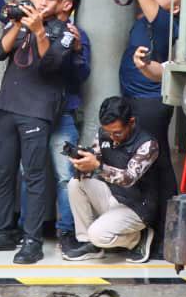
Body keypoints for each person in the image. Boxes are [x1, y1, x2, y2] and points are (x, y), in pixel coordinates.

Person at [0, 0, 72, 265]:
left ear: (59, 2)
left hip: (37, 111)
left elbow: (51, 65)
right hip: (7, 106)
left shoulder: (65, 31)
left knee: (33, 176)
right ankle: (3, 231)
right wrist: (17, 24)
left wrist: (39, 31)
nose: (42, 2)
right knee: (2, 172)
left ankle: (32, 241)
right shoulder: (23, 21)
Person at [110, 0, 181, 229]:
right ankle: (163, 226)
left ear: (174, 7)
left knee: (155, 163)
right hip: (139, 100)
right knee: (153, 160)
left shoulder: (164, 21)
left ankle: (165, 228)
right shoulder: (159, 14)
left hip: (148, 104)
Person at [64, 96, 162, 263]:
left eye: (117, 132)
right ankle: (88, 243)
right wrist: (82, 163)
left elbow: (128, 178)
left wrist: (97, 166)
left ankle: (138, 239)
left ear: (131, 122)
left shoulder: (147, 144)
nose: (112, 137)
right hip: (113, 196)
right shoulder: (105, 134)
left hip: (137, 207)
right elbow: (95, 157)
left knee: (97, 234)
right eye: (108, 132)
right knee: (76, 184)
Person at [51, 0, 91, 256]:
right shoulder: (38, 27)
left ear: (67, 6)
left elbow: (83, 74)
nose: (50, 3)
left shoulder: (78, 34)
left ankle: (66, 232)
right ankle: (23, 227)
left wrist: (76, 50)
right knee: (25, 172)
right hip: (34, 111)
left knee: (66, 176)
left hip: (64, 112)